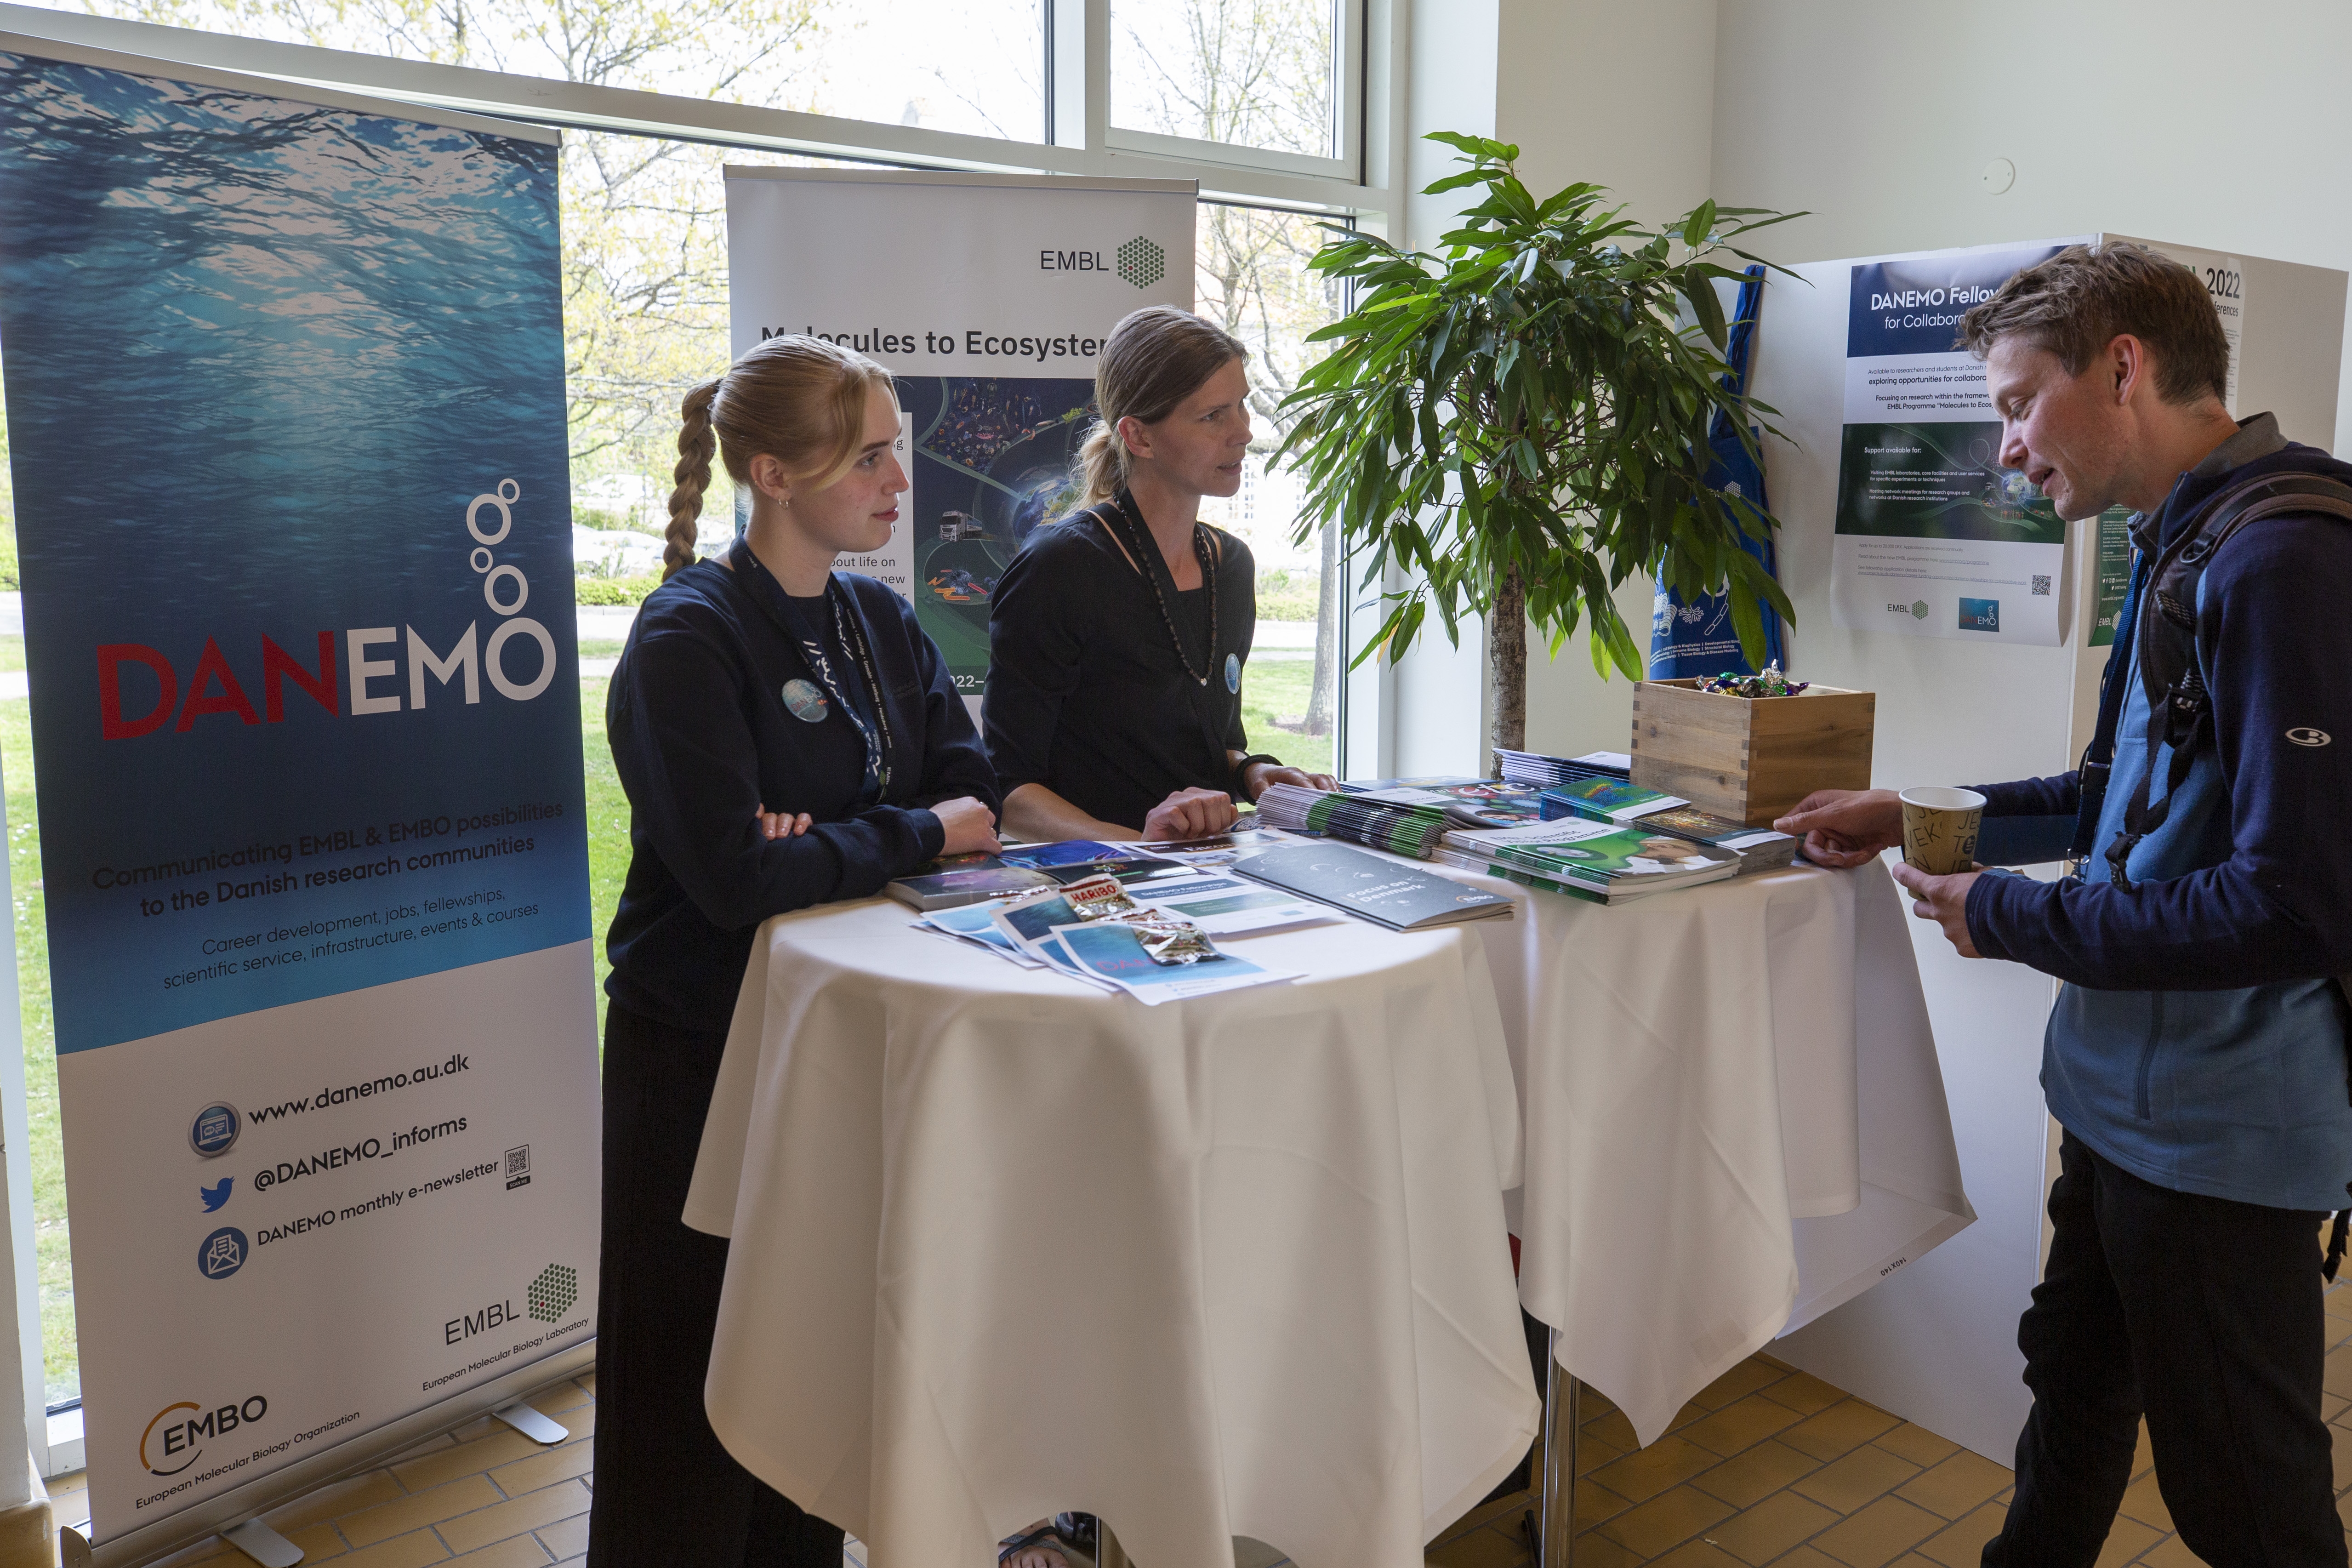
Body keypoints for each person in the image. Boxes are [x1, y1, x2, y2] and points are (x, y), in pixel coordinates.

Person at [1775, 241, 2352, 1567]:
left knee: (2246, 1501)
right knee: (2073, 1398)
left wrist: (2010, 916)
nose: (2005, 450)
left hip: (2214, 1134)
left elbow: (2290, 904)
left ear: (2123, 368)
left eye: (2014, 402)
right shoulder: (2180, 539)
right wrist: (1912, 811)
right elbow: (2106, 799)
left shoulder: (2282, 561)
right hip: (2113, 1103)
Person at [590, 335, 1002, 1567]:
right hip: (702, 1044)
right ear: (771, 471)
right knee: (688, 1359)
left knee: (807, 1355)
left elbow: (972, 787)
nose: (897, 482)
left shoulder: (878, 616)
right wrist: (905, 831)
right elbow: (733, 881)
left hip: (837, 1032)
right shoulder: (686, 640)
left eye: (894, 452)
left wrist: (830, 836)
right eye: (868, 455)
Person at [984, 306, 1336, 843]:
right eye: (1213, 416)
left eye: (1241, 406)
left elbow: (1209, 742)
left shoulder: (1231, 564)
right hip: (1099, 885)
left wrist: (1252, 772)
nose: (1243, 432)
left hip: (1209, 870)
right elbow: (1009, 791)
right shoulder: (1058, 569)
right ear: (1138, 437)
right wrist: (1139, 847)